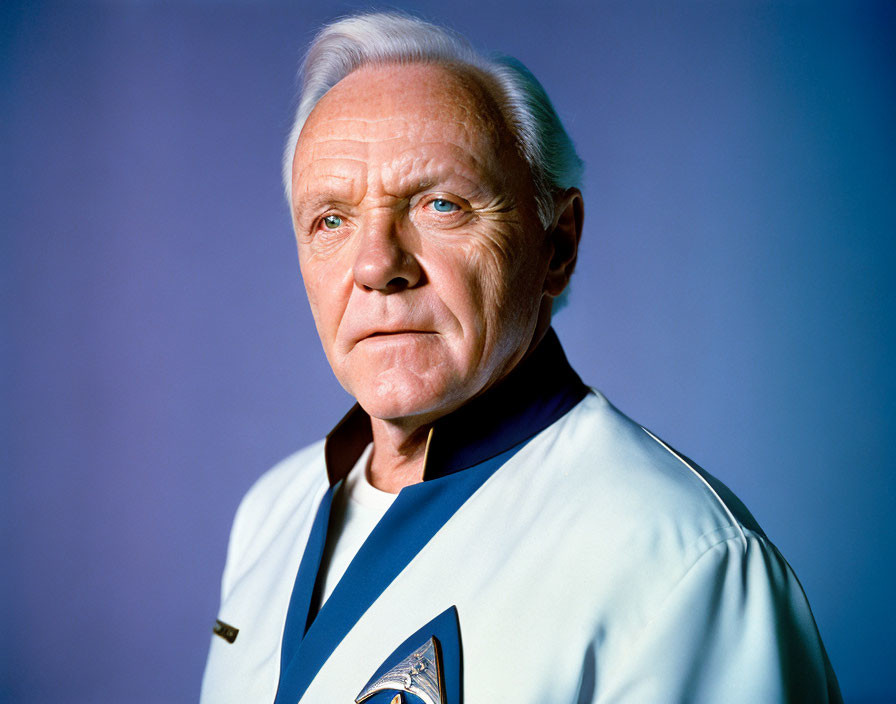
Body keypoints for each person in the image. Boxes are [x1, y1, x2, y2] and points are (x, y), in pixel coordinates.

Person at [201, 12, 841, 704]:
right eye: (331, 218)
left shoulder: (684, 564)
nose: (377, 264)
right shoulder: (273, 511)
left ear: (556, 246)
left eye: (441, 204)